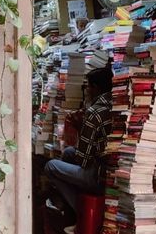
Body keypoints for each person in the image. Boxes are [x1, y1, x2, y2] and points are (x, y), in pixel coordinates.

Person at [44, 64, 113, 216]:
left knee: (51, 166)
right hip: (109, 170)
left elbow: (84, 159)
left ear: (95, 88)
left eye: (87, 87)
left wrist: (81, 128)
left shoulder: (94, 112)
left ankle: (80, 212)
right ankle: (73, 208)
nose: (86, 91)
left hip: (98, 176)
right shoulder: (114, 105)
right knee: (69, 152)